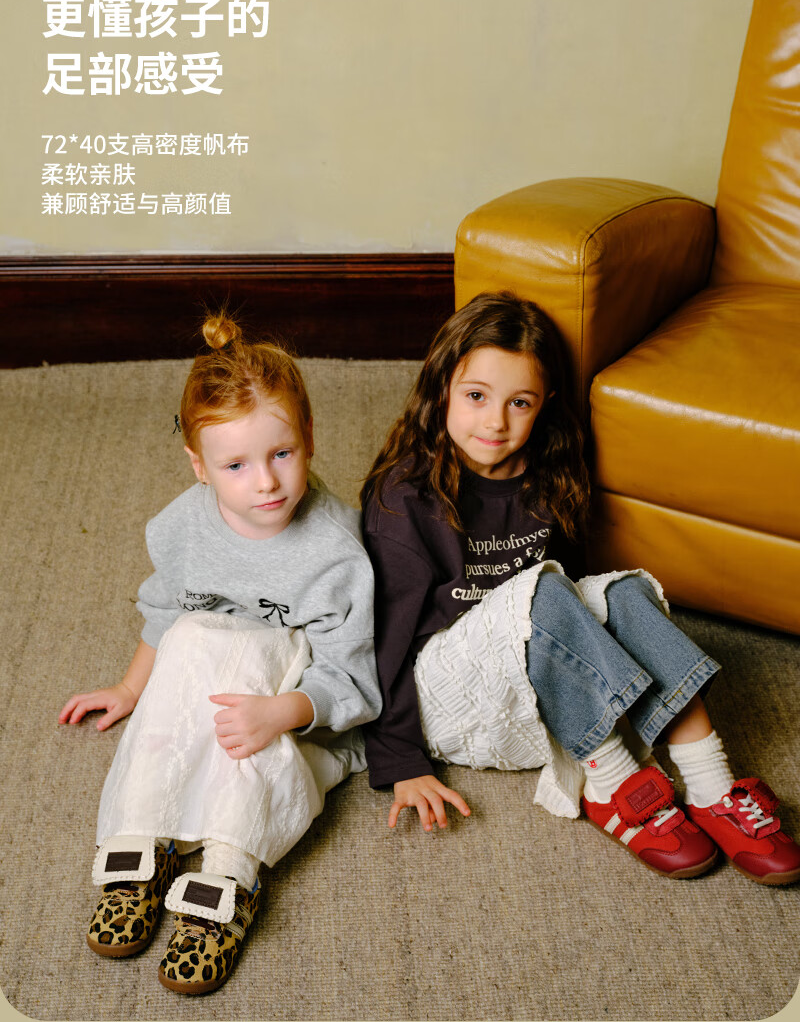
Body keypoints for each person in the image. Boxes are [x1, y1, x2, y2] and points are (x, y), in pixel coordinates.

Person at [360, 290, 800, 886]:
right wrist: (400, 759)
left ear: (544, 405)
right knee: (542, 590)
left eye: (519, 402)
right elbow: (383, 639)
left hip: (538, 682)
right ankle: (611, 782)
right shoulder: (404, 498)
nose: (495, 421)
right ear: (441, 390)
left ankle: (711, 783)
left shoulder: (548, 473)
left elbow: (575, 592)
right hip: (445, 698)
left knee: (621, 592)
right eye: (476, 396)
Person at [59, 314, 381, 994]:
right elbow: (165, 611)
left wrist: (281, 711)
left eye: (282, 454)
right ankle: (141, 845)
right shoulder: (183, 525)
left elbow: (352, 677)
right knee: (190, 636)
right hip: (205, 696)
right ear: (199, 467)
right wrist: (130, 690)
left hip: (290, 716)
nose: (266, 483)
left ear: (310, 436)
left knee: (243, 659)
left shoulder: (336, 552)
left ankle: (229, 874)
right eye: (236, 465)